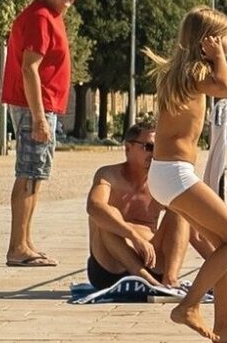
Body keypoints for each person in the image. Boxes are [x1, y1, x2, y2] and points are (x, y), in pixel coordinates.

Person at [144, 6, 227, 343]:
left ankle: (225, 325)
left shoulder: (181, 73)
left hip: (168, 175)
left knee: (223, 245)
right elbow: (226, 88)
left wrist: (215, 56)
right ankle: (189, 305)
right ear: (208, 43)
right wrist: (218, 58)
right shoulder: (196, 74)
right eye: (226, 41)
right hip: (174, 175)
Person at [1, 0, 79, 267]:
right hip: (37, 106)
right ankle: (17, 247)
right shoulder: (40, 18)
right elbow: (29, 67)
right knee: (30, 173)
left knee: (36, 174)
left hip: (45, 106)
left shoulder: (51, 17)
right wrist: (38, 118)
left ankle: (25, 241)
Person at [85, 121, 211, 289]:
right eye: (149, 147)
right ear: (128, 148)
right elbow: (93, 206)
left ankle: (170, 279)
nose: (154, 154)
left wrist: (225, 271)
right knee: (104, 214)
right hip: (111, 266)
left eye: (159, 148)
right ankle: (146, 280)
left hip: (151, 262)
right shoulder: (109, 175)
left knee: (180, 210)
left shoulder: (161, 182)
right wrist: (133, 236)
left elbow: (195, 234)